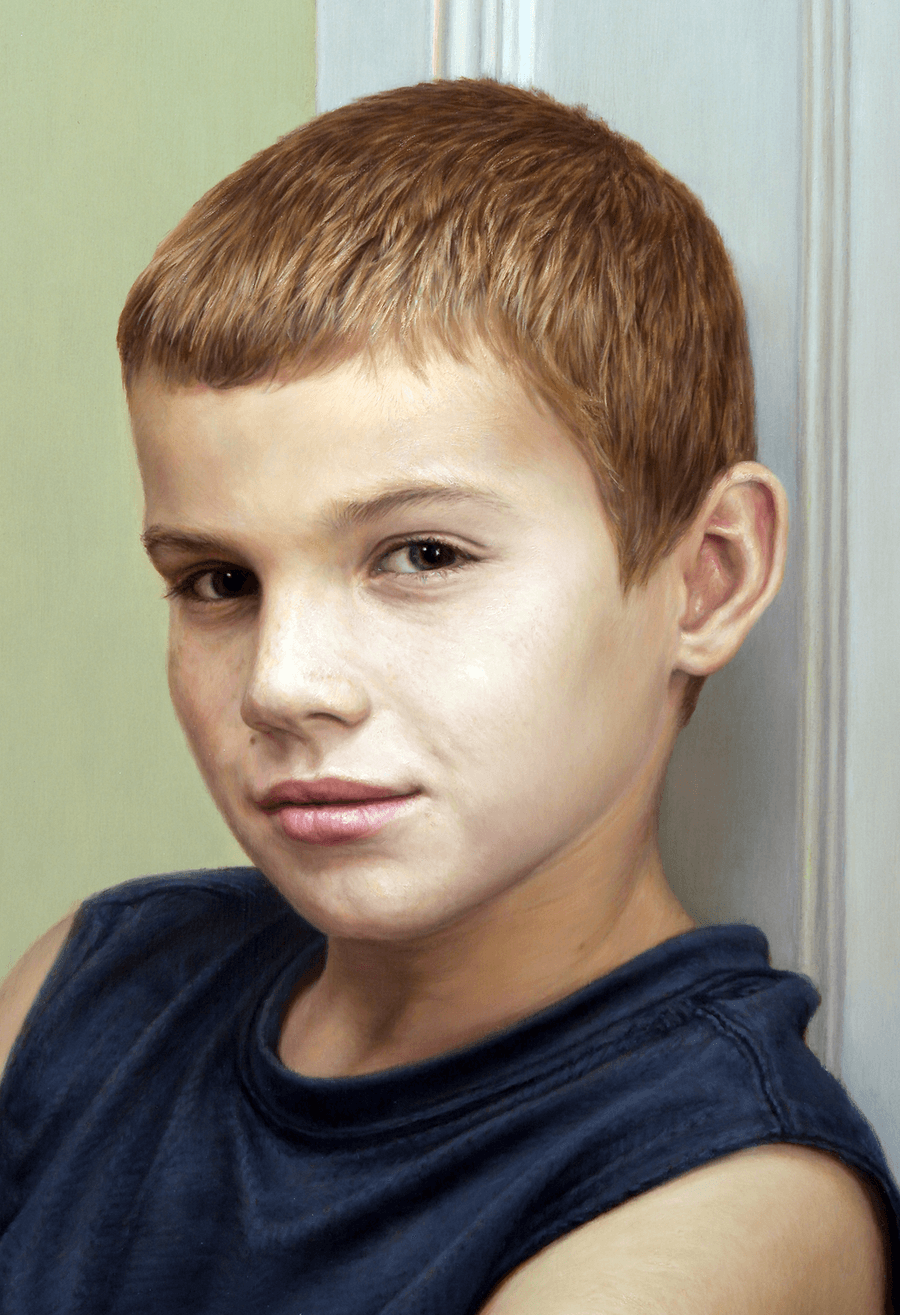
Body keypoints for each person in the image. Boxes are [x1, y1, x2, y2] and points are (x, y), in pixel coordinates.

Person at [0, 79, 896, 1314]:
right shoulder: (93, 986)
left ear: (708, 578)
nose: (282, 684)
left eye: (421, 554)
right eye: (218, 580)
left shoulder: (720, 1207)